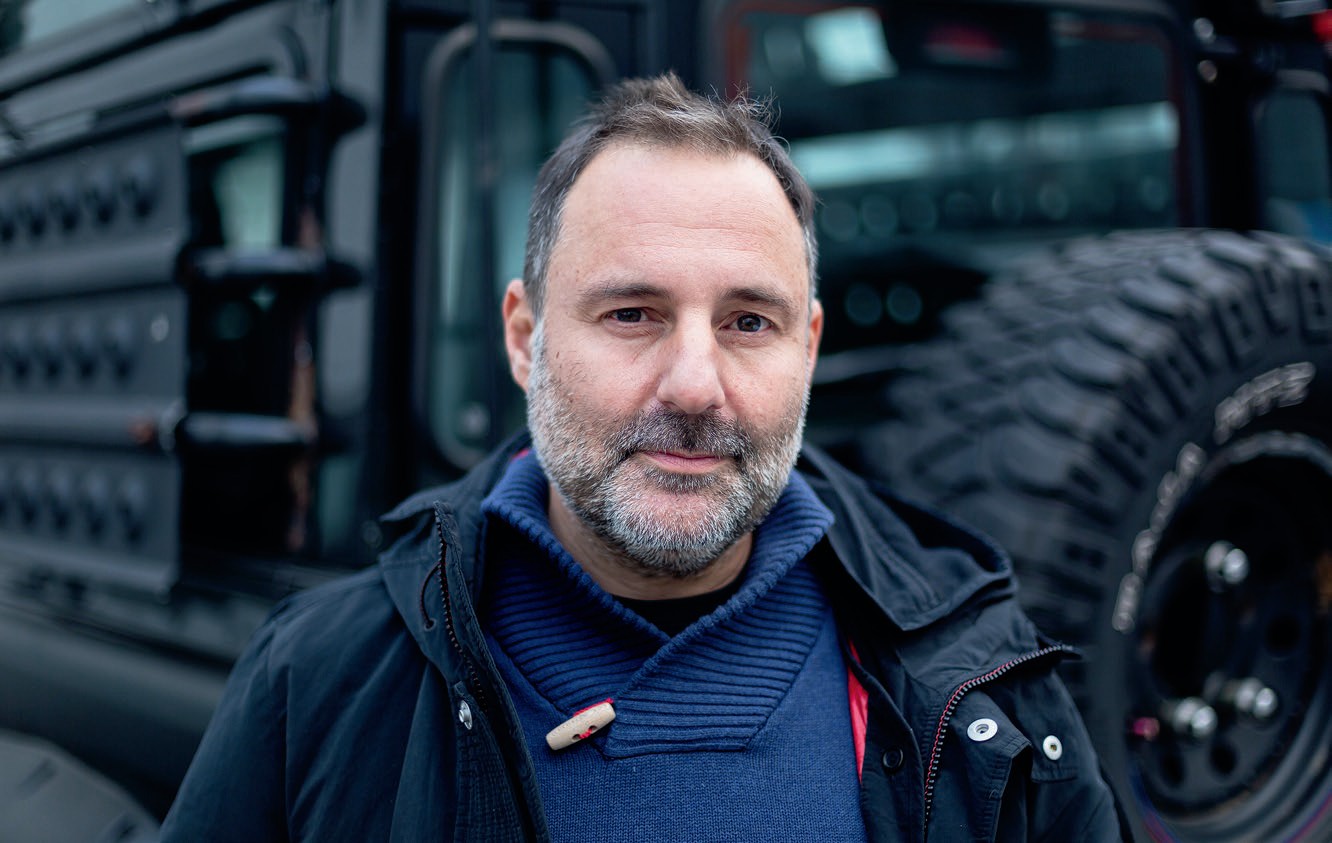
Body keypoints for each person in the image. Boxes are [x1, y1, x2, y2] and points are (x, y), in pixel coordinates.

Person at [161, 73, 1124, 841]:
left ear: (809, 348)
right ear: (524, 337)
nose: (695, 385)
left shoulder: (986, 689)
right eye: (632, 314)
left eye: (749, 321)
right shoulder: (316, 681)